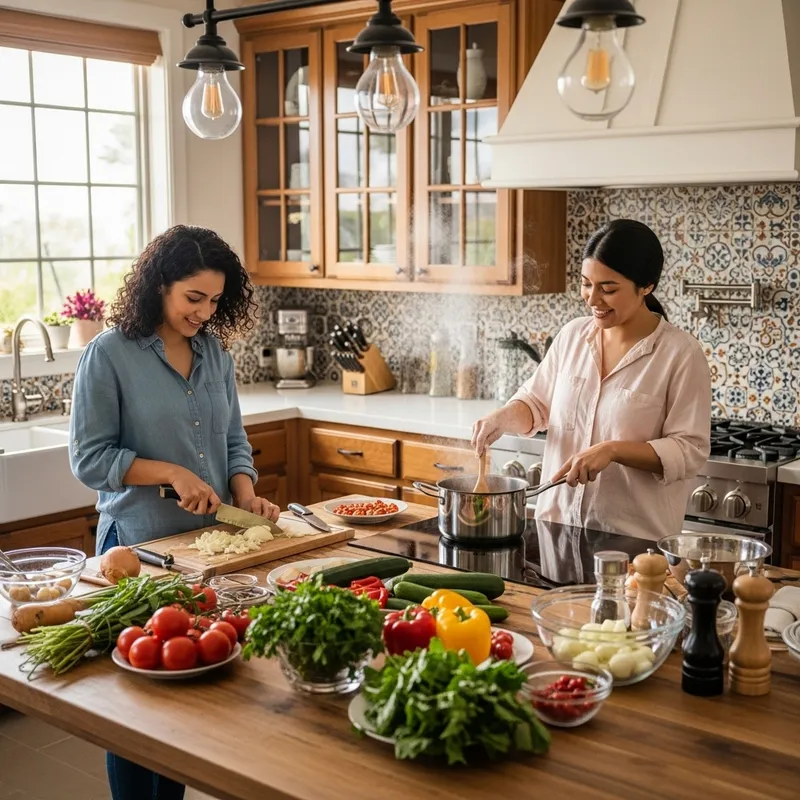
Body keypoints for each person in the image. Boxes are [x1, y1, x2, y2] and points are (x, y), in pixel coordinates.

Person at [69, 225, 280, 800]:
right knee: (138, 704)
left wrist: (244, 491)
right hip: (135, 550)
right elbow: (89, 460)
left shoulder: (215, 353)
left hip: (207, 550)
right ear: (158, 285)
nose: (204, 312)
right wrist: (170, 472)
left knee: (188, 703)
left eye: (215, 300)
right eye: (194, 298)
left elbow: (234, 440)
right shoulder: (107, 355)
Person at [472, 219, 711, 541]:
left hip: (633, 543)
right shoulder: (573, 335)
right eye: (586, 284)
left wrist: (611, 450)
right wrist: (501, 417)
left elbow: (689, 450)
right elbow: (535, 402)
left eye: (608, 289)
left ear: (646, 286)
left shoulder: (680, 353)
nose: (592, 299)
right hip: (556, 531)